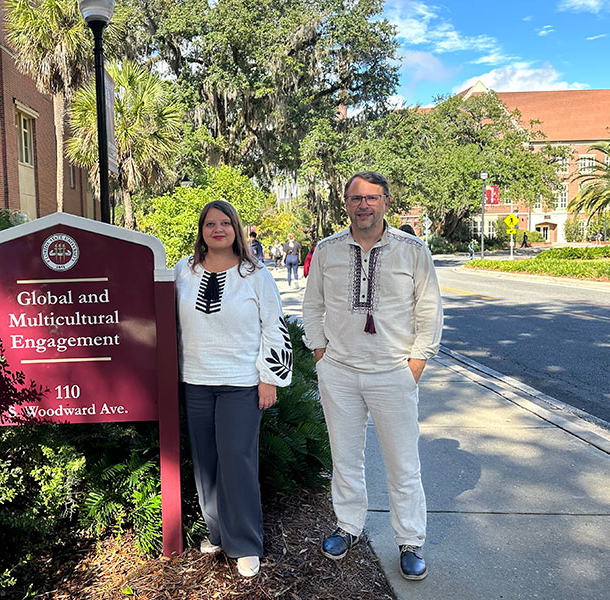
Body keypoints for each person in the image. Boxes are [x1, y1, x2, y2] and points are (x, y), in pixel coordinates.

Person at [302, 171, 443, 581]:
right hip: (340, 373)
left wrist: (415, 364)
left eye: (372, 197)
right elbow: (312, 306)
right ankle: (348, 528)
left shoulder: (411, 249)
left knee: (403, 463)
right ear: (345, 203)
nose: (363, 204)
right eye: (355, 197)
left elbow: (429, 310)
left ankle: (410, 540)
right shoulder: (327, 250)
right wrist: (321, 352)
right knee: (345, 458)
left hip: (393, 373)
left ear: (385, 202)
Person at [174, 200, 292, 578]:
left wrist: (269, 377)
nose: (218, 229)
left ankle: (245, 543)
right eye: (211, 223)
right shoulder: (183, 272)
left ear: (236, 229)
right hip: (196, 380)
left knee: (237, 463)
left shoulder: (254, 274)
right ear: (201, 231)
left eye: (226, 223)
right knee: (206, 463)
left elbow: (273, 325)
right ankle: (218, 533)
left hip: (240, 384)